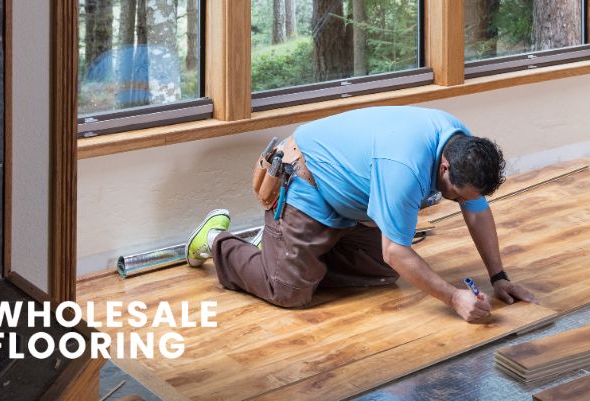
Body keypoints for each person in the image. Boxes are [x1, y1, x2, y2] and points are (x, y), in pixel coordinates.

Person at [185, 106, 537, 323]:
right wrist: (454, 297)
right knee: (289, 291)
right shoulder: (405, 168)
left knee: (382, 273)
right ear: (445, 167)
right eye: (456, 195)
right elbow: (396, 250)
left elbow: (476, 211)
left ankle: (283, 249)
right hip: (307, 183)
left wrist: (499, 276)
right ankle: (218, 240)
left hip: (349, 201)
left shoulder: (462, 148)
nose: (461, 202)